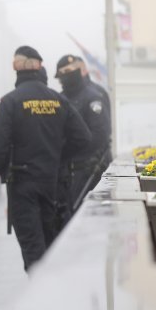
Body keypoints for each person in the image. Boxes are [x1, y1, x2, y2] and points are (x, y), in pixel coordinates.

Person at [0, 46, 91, 271]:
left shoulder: (9, 102)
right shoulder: (59, 101)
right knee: (54, 249)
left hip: (23, 186)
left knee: (34, 253)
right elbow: (83, 138)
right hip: (55, 186)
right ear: (39, 67)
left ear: (18, 67)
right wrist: (59, 158)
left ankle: (43, 300)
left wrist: (6, 170)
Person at [55, 54, 112, 223]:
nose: (67, 75)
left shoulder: (94, 95)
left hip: (89, 170)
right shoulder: (60, 98)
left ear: (82, 70)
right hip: (67, 172)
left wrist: (70, 148)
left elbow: (100, 135)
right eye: (63, 72)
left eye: (70, 71)